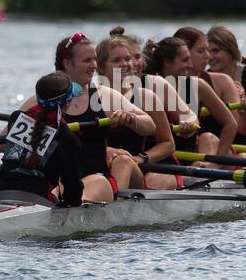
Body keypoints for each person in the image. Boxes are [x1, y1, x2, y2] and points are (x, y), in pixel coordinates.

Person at [17, 33, 154, 203]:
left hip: (96, 178)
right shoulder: (41, 99)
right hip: (59, 181)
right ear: (67, 64)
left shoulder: (105, 96)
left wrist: (132, 118)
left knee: (116, 166)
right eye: (87, 60)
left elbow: (150, 125)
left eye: (95, 60)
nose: (93, 66)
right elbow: (3, 145)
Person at [96, 32, 178, 190]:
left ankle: (112, 207)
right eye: (116, 60)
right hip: (107, 164)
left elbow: (168, 144)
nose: (125, 64)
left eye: (127, 59)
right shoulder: (92, 97)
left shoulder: (146, 97)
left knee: (126, 164)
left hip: (145, 167)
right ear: (101, 67)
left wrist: (141, 159)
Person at [0, 72, 85, 206]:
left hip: (1, 191)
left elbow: (12, 159)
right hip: (39, 199)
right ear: (68, 102)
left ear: (37, 97)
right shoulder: (68, 138)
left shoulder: (17, 117)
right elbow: (72, 188)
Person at [146, 36, 239, 160]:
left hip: (191, 157)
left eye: (189, 59)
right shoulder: (147, 87)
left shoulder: (198, 86)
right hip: (158, 157)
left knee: (207, 138)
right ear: (167, 62)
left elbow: (231, 123)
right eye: (185, 60)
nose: (190, 65)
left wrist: (217, 161)